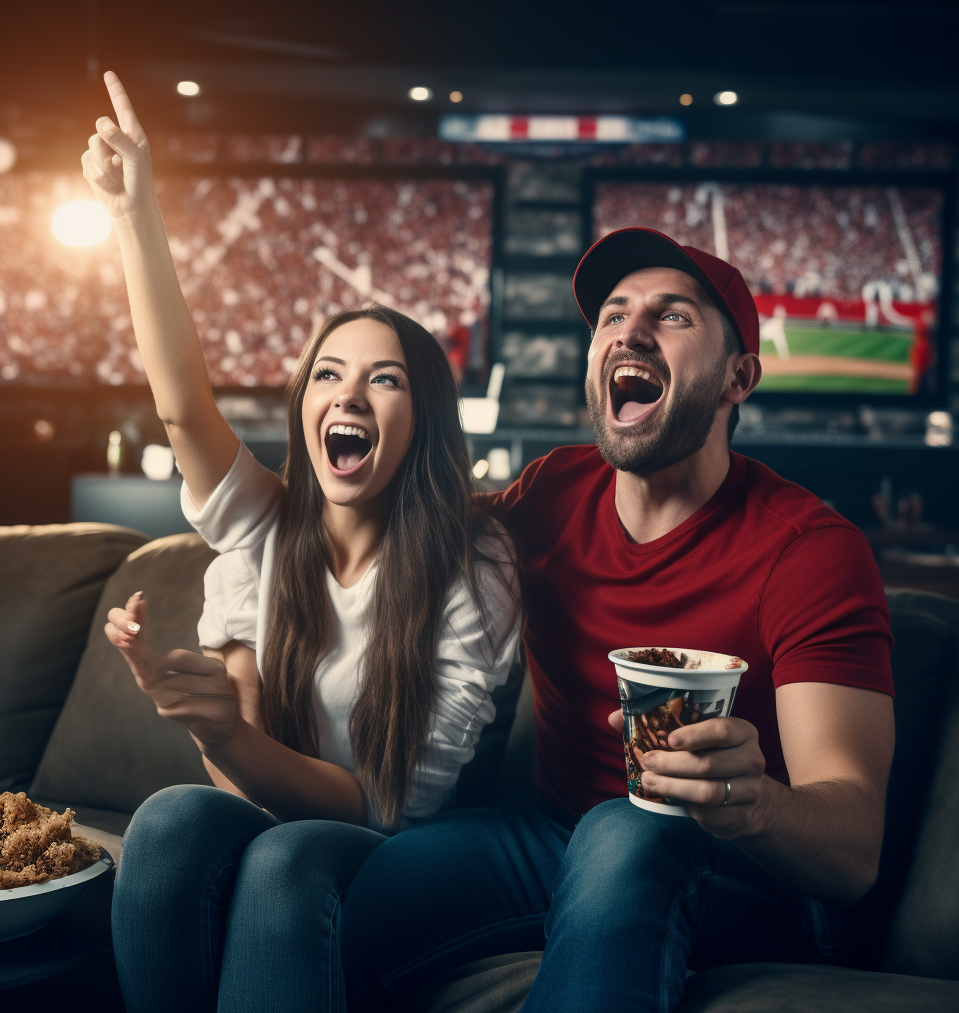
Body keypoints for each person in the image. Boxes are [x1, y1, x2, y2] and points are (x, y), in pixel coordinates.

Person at [340, 227, 895, 1013]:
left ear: (740, 377)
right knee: (360, 900)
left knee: (625, 831)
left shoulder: (809, 550)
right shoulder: (549, 493)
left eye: (671, 316)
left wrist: (754, 799)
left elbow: (853, 853)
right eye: (610, 315)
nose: (627, 331)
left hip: (749, 868)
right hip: (558, 834)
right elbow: (399, 525)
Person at [81, 71, 521, 1013]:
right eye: (329, 374)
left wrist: (230, 734)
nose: (349, 396)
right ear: (306, 407)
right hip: (278, 825)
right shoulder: (260, 533)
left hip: (408, 852)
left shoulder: (471, 569)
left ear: (424, 419)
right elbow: (181, 404)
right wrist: (135, 214)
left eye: (385, 380)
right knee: (165, 821)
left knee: (283, 860)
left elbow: (392, 808)